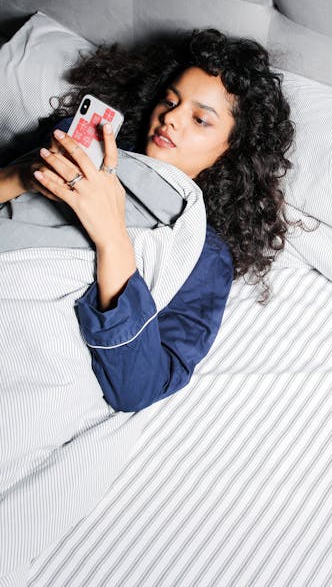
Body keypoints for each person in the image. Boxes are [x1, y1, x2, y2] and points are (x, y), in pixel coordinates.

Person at [0, 29, 294, 412]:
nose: (171, 118)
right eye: (170, 101)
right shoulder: (75, 142)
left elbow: (139, 386)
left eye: (201, 119)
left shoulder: (204, 253)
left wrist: (112, 238)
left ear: (232, 149)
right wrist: (26, 176)